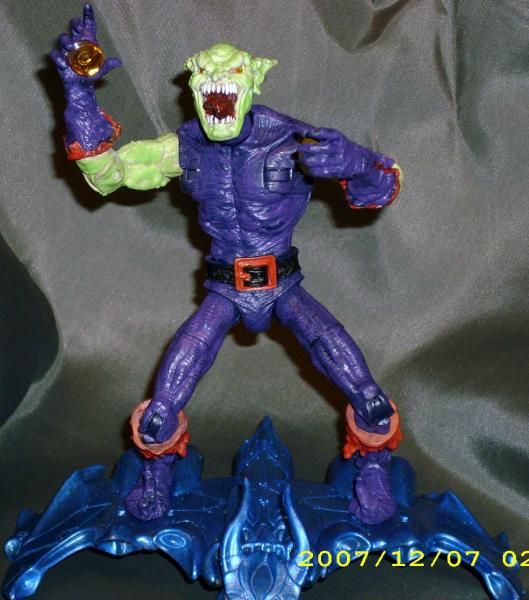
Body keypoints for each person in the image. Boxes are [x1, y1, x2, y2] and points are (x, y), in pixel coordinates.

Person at [51, 3, 403, 524]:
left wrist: (361, 163)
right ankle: (157, 475)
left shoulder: (294, 141)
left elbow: (381, 188)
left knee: (367, 395)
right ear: (194, 85)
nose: (217, 84)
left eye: (231, 73)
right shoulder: (186, 147)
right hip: (224, 288)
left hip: (284, 284)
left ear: (253, 80)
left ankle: (373, 471)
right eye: (207, 75)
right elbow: (109, 175)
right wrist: (79, 95)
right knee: (160, 410)